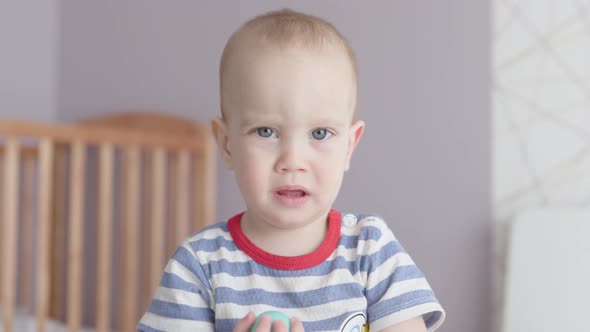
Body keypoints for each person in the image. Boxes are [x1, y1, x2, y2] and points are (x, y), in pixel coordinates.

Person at [138, 8, 445, 332]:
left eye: (319, 133)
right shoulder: (199, 265)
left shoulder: (371, 251)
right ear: (227, 145)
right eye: (266, 131)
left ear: (349, 147)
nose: (292, 160)